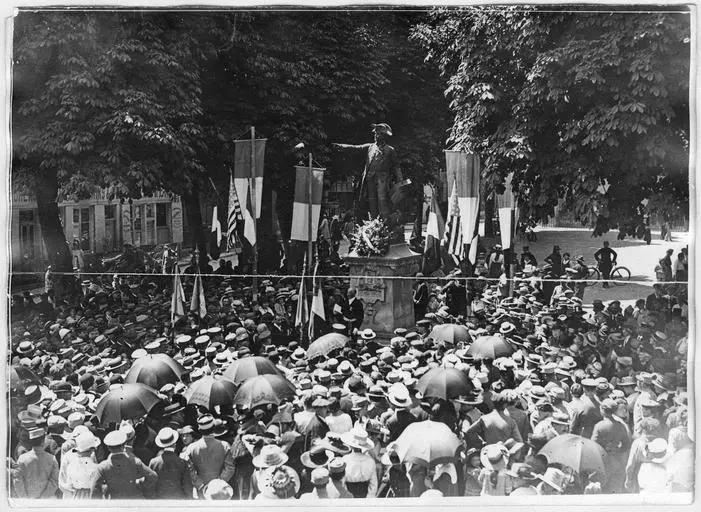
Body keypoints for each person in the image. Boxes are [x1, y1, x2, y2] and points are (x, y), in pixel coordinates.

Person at [332, 123, 404, 219]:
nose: (376, 136)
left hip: (382, 180)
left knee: (382, 203)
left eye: (378, 134)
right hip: (370, 179)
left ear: (384, 136)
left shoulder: (390, 150)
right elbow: (355, 148)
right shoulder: (370, 147)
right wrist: (341, 146)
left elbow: (396, 166)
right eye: (375, 134)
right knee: (372, 203)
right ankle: (374, 223)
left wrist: (400, 181)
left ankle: (384, 224)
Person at [92, 430, 157, 499]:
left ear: (108, 448)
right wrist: (140, 483)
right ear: (124, 445)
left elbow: (95, 489)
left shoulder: (102, 467)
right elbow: (153, 476)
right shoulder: (135, 461)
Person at [12, 427, 59, 499]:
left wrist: (24, 498)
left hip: (28, 499)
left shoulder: (22, 459)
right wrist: (43, 498)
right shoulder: (52, 458)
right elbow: (55, 481)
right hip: (47, 500)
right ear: (43, 441)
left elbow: (17, 480)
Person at [149, 427, 193, 499]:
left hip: (159, 501)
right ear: (174, 444)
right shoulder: (182, 463)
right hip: (177, 502)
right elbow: (187, 487)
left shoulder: (153, 462)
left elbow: (150, 485)